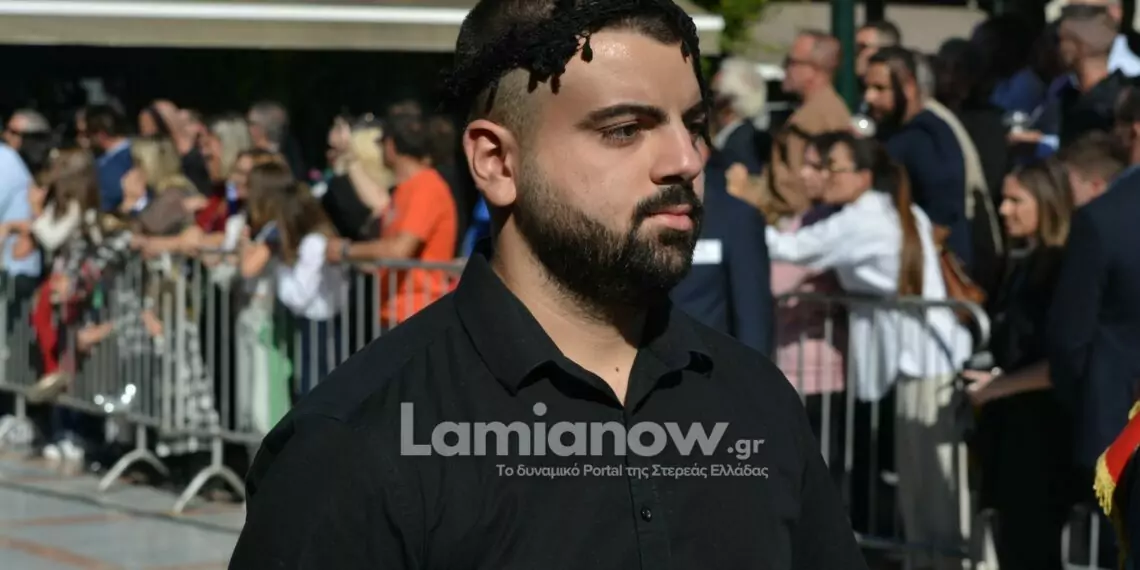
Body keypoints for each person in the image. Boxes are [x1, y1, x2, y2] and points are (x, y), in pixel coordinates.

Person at [230, 0, 868, 568]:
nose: (685, 160)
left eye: (693, 124)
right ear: (497, 162)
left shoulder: (758, 401)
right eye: (624, 129)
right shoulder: (355, 446)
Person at [764, 132, 972, 569]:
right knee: (920, 488)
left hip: (922, 361)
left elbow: (792, 248)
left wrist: (741, 217)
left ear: (862, 176)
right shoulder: (885, 211)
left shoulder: (861, 220)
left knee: (933, 491)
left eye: (833, 168)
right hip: (920, 360)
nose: (824, 176)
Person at [963, 159, 1076, 570]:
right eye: (1003, 199)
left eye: (1016, 200)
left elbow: (1059, 361)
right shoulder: (1023, 264)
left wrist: (996, 387)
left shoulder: (1063, 269)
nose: (1004, 209)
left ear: (1046, 202)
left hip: (1044, 434)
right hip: (1013, 429)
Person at [1047, 80, 1140, 567]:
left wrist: (1084, 399)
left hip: (1121, 429)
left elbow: (1070, 338)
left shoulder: (1104, 219)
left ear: (1133, 131)